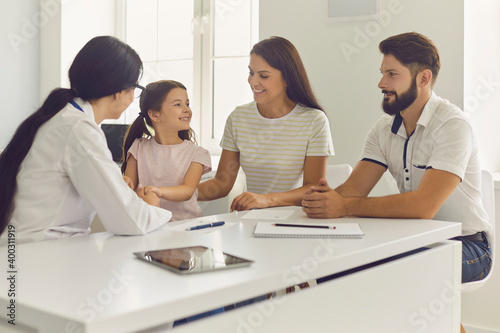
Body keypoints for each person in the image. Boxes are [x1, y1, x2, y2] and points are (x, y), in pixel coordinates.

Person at [302, 32, 492, 285]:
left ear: (423, 78)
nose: (381, 83)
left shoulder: (452, 125)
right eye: (382, 73)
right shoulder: (382, 129)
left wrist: (344, 206)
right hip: (413, 238)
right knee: (337, 266)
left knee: (393, 272)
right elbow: (353, 191)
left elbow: (424, 207)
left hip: (466, 245)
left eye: (392, 74)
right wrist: (326, 200)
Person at [0, 36, 171, 243]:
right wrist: (153, 205)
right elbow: (131, 222)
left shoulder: (62, 117)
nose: (132, 97)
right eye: (134, 88)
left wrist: (114, 183)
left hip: (23, 251)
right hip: (38, 255)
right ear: (118, 90)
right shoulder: (78, 130)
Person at [198, 36, 334, 211]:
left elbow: (312, 188)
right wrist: (174, 193)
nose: (253, 82)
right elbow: (222, 183)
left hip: (294, 218)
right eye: (251, 73)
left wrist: (266, 200)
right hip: (251, 218)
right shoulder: (238, 118)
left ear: (288, 78)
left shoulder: (314, 121)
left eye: (263, 75)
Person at [121, 80, 211, 221]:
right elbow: (128, 188)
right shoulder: (138, 147)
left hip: (187, 228)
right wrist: (124, 182)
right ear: (155, 115)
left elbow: (187, 190)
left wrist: (159, 191)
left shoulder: (197, 153)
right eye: (177, 104)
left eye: (187, 104)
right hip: (150, 225)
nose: (187, 109)